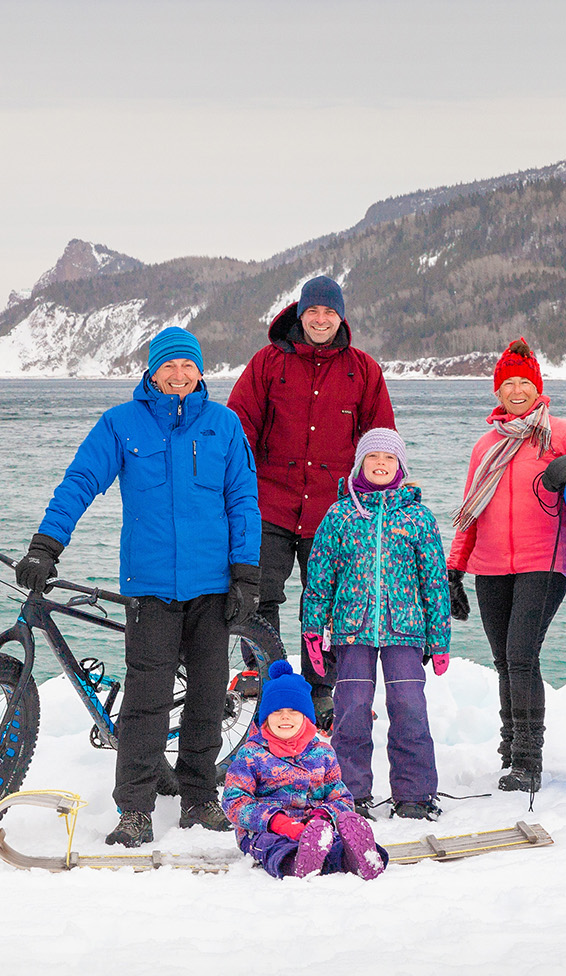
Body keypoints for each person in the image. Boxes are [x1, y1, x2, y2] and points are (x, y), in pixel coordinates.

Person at [15, 326, 262, 846]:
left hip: (213, 586)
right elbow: (81, 481)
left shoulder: (224, 425)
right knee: (145, 702)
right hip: (149, 588)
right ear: (151, 371)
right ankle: (135, 811)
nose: (177, 375)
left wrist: (246, 573)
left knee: (206, 697)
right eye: (167, 366)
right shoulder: (120, 424)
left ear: (200, 371)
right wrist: (46, 545)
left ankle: (200, 799)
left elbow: (243, 501)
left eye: (187, 366)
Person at [446, 338, 566, 794]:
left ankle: (528, 760)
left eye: (525, 382)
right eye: (509, 384)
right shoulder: (486, 445)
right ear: (497, 392)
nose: (518, 390)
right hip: (490, 566)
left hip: (544, 561)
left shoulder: (562, 432)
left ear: (538, 387)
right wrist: (453, 572)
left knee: (522, 655)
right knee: (505, 660)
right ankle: (510, 749)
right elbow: (471, 510)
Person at [228, 275, 396, 721]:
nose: (320, 320)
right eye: (313, 312)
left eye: (329, 312)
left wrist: (377, 495)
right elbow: (237, 428)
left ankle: (322, 687)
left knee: (325, 600)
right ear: (299, 314)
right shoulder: (266, 363)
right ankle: (270, 676)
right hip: (270, 504)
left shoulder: (362, 369)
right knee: (260, 594)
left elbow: (381, 439)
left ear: (341, 316)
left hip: (334, 510)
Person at [301, 428, 452, 821]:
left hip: (405, 630)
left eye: (389, 458)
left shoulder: (417, 517)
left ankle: (415, 794)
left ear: (400, 466)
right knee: (351, 710)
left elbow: (434, 581)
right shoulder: (341, 515)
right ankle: (349, 794)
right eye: (373, 458)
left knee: (408, 708)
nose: (381, 464)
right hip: (352, 629)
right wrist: (314, 629)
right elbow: (319, 578)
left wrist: (440, 639)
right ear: (360, 465)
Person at [220, 660, 388, 880]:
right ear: (266, 718)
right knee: (273, 846)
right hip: (266, 829)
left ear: (307, 717)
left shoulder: (323, 754)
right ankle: (296, 864)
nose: (285, 717)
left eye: (293, 711)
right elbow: (234, 800)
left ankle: (357, 858)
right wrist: (276, 821)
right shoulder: (251, 754)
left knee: (334, 842)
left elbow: (342, 798)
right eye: (277, 711)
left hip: (316, 829)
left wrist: (322, 816)